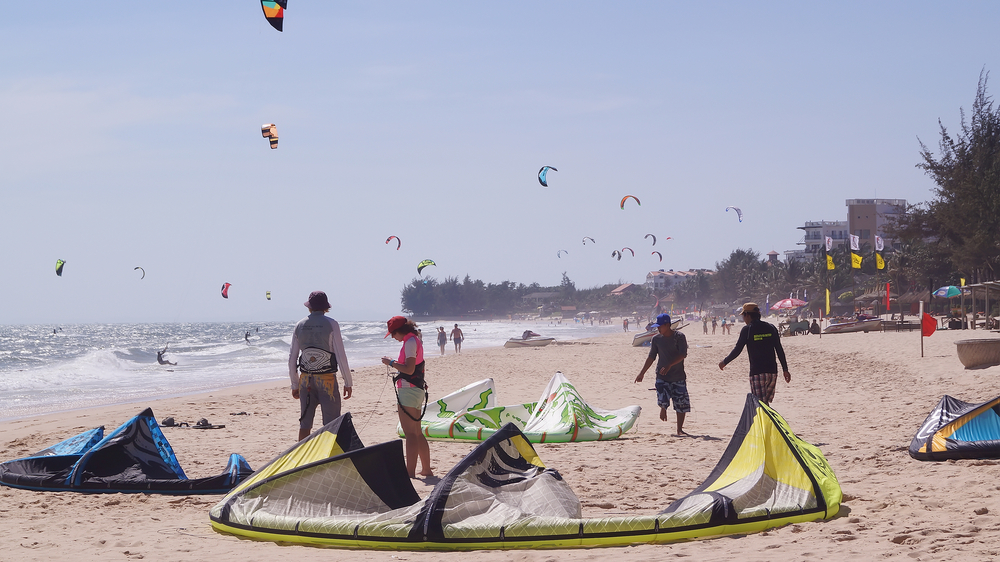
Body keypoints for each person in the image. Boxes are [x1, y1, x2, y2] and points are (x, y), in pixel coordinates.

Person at [288, 291, 353, 441]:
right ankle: (329, 456)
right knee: (331, 424)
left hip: (305, 380)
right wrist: (348, 382)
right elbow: (341, 356)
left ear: (309, 307)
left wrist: (294, 384)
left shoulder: (299, 325)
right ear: (325, 307)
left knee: (305, 423)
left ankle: (303, 457)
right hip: (327, 380)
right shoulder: (331, 324)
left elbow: (292, 358)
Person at [381, 316, 432, 478]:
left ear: (399, 331)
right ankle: (426, 469)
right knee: (417, 432)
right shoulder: (414, 340)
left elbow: (409, 369)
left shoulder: (409, 342)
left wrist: (390, 362)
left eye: (393, 335)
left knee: (410, 433)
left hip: (408, 390)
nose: (394, 338)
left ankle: (410, 472)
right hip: (416, 389)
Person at [718, 302, 791, 404]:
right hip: (772, 372)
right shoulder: (771, 327)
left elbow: (738, 349)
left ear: (747, 315)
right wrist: (785, 369)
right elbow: (779, 349)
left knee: (760, 405)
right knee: (765, 404)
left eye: (744, 315)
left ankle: (765, 420)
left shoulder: (747, 330)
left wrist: (725, 361)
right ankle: (766, 420)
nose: (743, 319)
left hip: (757, 372)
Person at [635, 313, 690, 437]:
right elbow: (651, 357)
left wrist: (670, 365)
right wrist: (641, 373)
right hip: (662, 375)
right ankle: (663, 408)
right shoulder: (656, 339)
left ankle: (679, 429)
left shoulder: (679, 337)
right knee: (662, 395)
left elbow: (683, 354)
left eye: (660, 326)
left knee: (681, 404)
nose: (658, 328)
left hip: (678, 376)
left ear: (667, 325)